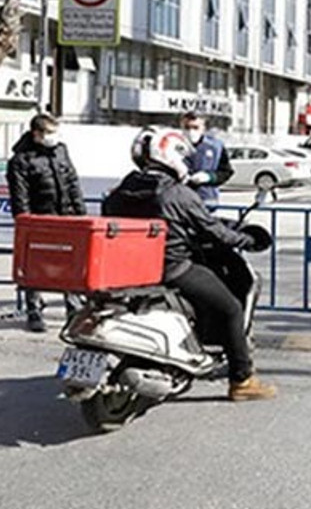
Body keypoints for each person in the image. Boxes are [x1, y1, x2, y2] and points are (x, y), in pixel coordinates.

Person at [101, 126, 276, 401]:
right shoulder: (177, 193)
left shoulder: (120, 191)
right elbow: (213, 230)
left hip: (130, 271)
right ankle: (242, 380)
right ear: (171, 155)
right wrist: (247, 241)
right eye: (183, 157)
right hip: (172, 269)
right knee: (230, 308)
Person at [6, 113, 86, 333]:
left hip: (66, 216)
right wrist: (26, 222)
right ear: (36, 134)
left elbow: (72, 182)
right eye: (49, 133)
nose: (54, 137)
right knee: (35, 266)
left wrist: (80, 214)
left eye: (55, 132)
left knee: (71, 265)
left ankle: (73, 309)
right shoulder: (20, 160)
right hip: (40, 220)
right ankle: (34, 309)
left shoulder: (61, 150)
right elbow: (19, 196)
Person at [180, 111, 233, 206]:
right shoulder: (173, 145)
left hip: (206, 201)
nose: (191, 131)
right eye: (187, 127)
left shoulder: (216, 147)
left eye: (195, 127)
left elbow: (226, 172)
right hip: (180, 200)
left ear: (203, 128)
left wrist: (209, 177)